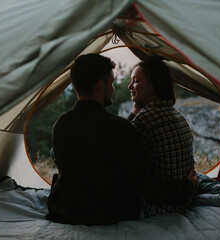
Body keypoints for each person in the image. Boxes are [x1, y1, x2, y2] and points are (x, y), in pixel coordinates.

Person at [46, 53, 196, 225]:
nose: (115, 88)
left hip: (69, 211)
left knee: (55, 152)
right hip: (111, 214)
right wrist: (187, 186)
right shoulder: (120, 129)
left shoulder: (61, 125)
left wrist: (134, 113)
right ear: (100, 86)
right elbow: (148, 185)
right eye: (111, 83)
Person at [127, 59, 196, 217]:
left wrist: (135, 115)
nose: (130, 86)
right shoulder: (176, 114)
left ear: (154, 85)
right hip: (185, 201)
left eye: (136, 81)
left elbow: (121, 143)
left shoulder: (144, 120)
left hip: (160, 207)